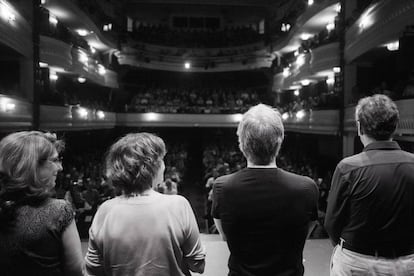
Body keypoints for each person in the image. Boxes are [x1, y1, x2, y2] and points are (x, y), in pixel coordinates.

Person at [212, 104, 319, 276]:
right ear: (280, 140)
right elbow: (304, 233)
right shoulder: (306, 187)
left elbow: (225, 236)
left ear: (241, 143)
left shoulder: (223, 187)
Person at [85, 132, 205, 276]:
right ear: (152, 166)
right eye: (162, 160)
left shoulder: (105, 210)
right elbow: (197, 265)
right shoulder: (179, 205)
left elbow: (92, 270)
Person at [325, 94, 414, 275]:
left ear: (359, 128)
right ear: (395, 126)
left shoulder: (348, 167)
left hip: (357, 261)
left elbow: (332, 223)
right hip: (407, 262)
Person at [0, 131, 84, 276]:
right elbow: (75, 272)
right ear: (32, 166)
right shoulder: (59, 210)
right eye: (55, 160)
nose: (60, 168)